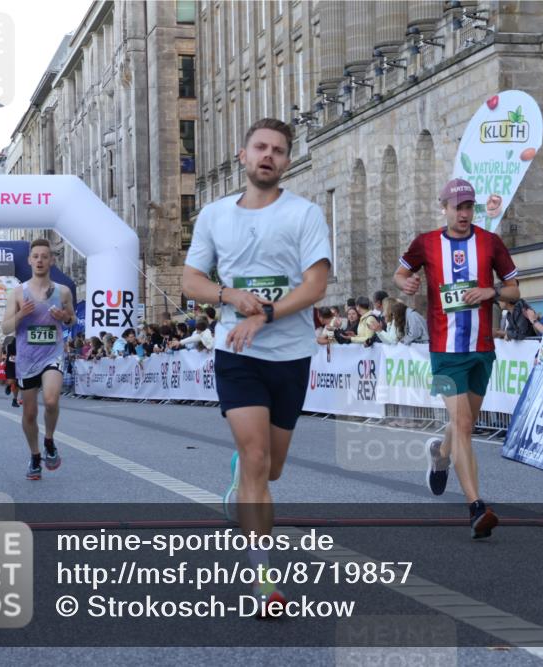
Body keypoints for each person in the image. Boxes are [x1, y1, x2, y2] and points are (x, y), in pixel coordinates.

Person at [181, 118, 330, 614]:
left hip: (290, 353)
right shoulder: (215, 215)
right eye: (260, 147)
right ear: (243, 156)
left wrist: (264, 313)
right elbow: (190, 280)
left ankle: (243, 469)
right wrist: (228, 295)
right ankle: (263, 576)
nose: (269, 156)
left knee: (274, 468)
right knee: (259, 462)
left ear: (286, 161)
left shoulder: (305, 213)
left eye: (279, 150)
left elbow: (315, 287)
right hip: (236, 352)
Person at [395, 177, 519, 539]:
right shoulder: (427, 243)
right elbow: (401, 272)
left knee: (463, 421)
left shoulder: (490, 242)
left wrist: (489, 291)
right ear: (444, 207)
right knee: (464, 423)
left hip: (481, 348)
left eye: (468, 207)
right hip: (445, 351)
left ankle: (440, 454)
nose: (463, 214)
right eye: (457, 207)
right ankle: (476, 507)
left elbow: (514, 289)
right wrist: (405, 283)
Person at [2, 238, 75, 480]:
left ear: (52, 260)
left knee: (52, 400)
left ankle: (49, 440)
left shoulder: (62, 291)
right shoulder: (18, 292)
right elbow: (5, 328)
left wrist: (65, 316)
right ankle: (35, 456)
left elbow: (71, 320)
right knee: (30, 413)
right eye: (36, 256)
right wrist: (21, 314)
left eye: (45, 256)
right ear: (29, 260)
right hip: (26, 359)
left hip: (52, 354)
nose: (40, 260)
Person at [4, 335, 20, 407]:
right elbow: (10, 357)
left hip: (20, 367)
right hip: (11, 365)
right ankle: (8, 386)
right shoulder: (10, 346)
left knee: (17, 384)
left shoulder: (26, 346)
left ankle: (14, 400)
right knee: (11, 381)